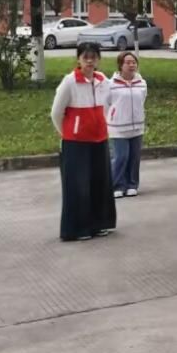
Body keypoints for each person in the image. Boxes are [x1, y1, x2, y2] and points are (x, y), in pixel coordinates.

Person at [51, 42, 116, 241]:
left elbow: (108, 104)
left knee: (100, 182)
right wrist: (68, 133)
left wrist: (102, 124)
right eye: (85, 57)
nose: (89, 61)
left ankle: (100, 224)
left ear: (98, 60)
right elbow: (56, 113)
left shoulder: (103, 80)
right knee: (78, 185)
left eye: (93, 57)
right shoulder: (69, 82)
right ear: (78, 59)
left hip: (99, 140)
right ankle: (78, 228)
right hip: (76, 143)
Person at [106, 50, 147, 198]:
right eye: (128, 63)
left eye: (134, 62)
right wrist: (112, 118)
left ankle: (132, 184)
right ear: (120, 65)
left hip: (137, 127)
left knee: (134, 158)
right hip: (118, 128)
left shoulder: (142, 83)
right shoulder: (110, 84)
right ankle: (117, 185)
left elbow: (142, 100)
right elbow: (106, 104)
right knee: (120, 157)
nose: (131, 65)